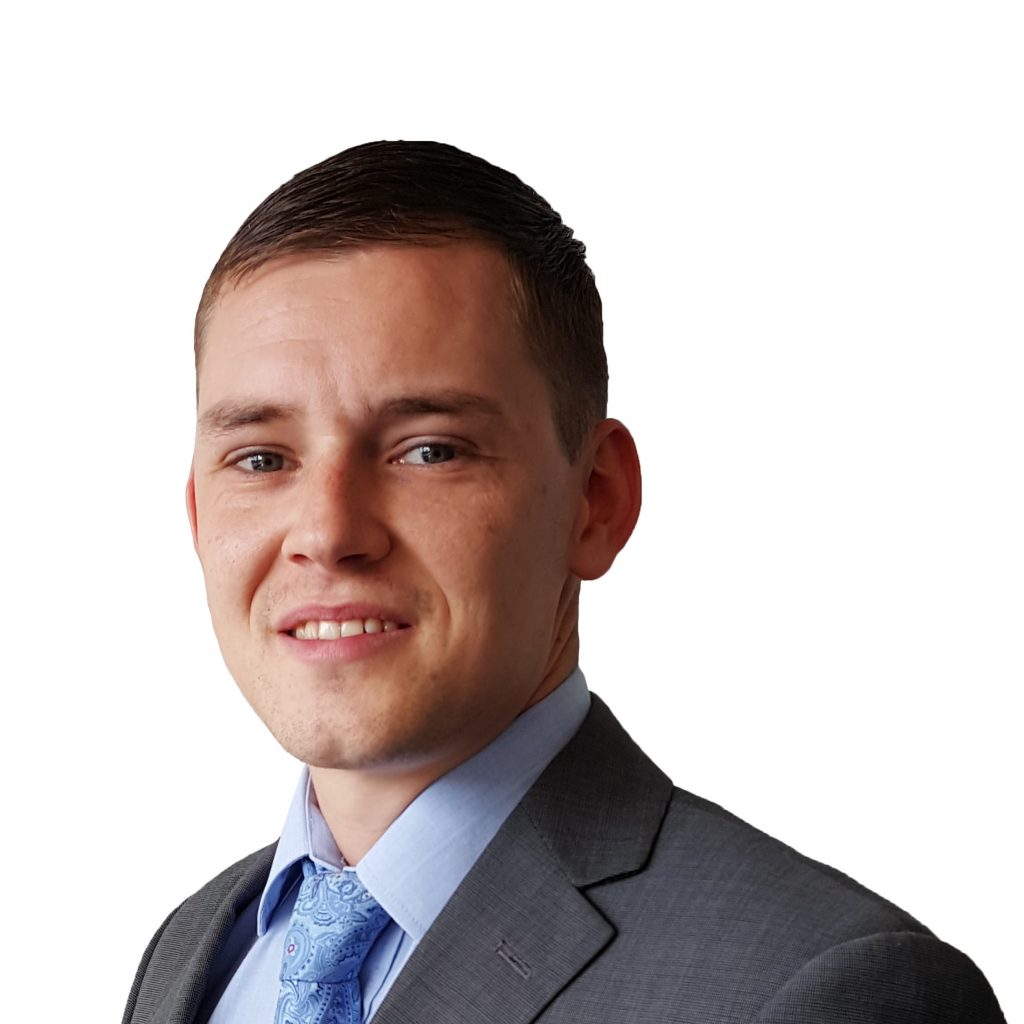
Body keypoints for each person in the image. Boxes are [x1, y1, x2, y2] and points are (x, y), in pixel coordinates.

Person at [123, 140, 1005, 1024]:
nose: (327, 533)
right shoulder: (194, 951)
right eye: (261, 459)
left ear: (596, 500)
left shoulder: (828, 988)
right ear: (198, 514)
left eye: (430, 450)